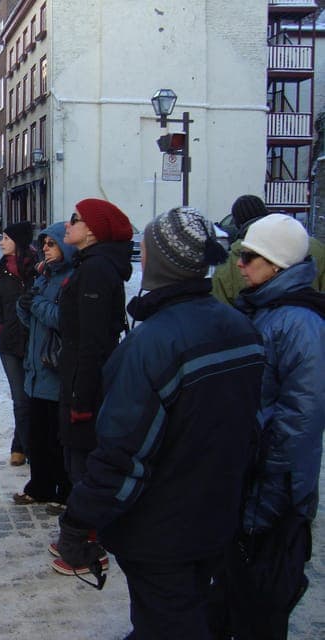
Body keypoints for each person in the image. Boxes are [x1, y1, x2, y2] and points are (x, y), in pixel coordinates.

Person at [55, 207, 265, 639]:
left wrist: (79, 519)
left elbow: (122, 453)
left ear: (160, 261)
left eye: (145, 249)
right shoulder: (239, 326)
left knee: (170, 622)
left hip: (162, 529)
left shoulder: (152, 345)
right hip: (216, 515)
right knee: (179, 612)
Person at [216, 213, 325, 640]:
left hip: (273, 499)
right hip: (251, 486)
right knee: (239, 597)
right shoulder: (265, 310)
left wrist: (265, 502)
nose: (238, 264)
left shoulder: (299, 324)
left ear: (276, 264)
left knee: (262, 608)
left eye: (248, 257)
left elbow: (298, 424)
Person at [57, 199, 132, 491]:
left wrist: (81, 400)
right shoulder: (89, 265)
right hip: (80, 378)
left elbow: (92, 339)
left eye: (75, 219)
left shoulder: (96, 270)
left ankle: (86, 532)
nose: (68, 224)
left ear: (92, 231)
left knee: (82, 464)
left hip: (86, 384)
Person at [13, 223, 74, 507]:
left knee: (55, 437)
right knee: (37, 436)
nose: (46, 249)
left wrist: (35, 304)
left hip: (55, 369)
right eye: (45, 244)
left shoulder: (71, 278)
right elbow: (33, 320)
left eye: (53, 243)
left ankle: (63, 490)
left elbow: (64, 320)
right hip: (36, 367)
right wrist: (23, 307)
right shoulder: (45, 276)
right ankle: (40, 485)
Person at [212, 194, 325, 305]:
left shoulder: (227, 266)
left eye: (247, 257)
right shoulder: (315, 248)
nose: (240, 263)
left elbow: (220, 314)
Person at [0, 221, 36, 466]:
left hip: (33, 341)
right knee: (20, 399)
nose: (1, 243)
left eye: (6, 239)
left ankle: (21, 445)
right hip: (8, 342)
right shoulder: (1, 269)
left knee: (33, 398)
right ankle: (27, 450)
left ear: (18, 241)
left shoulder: (37, 268)